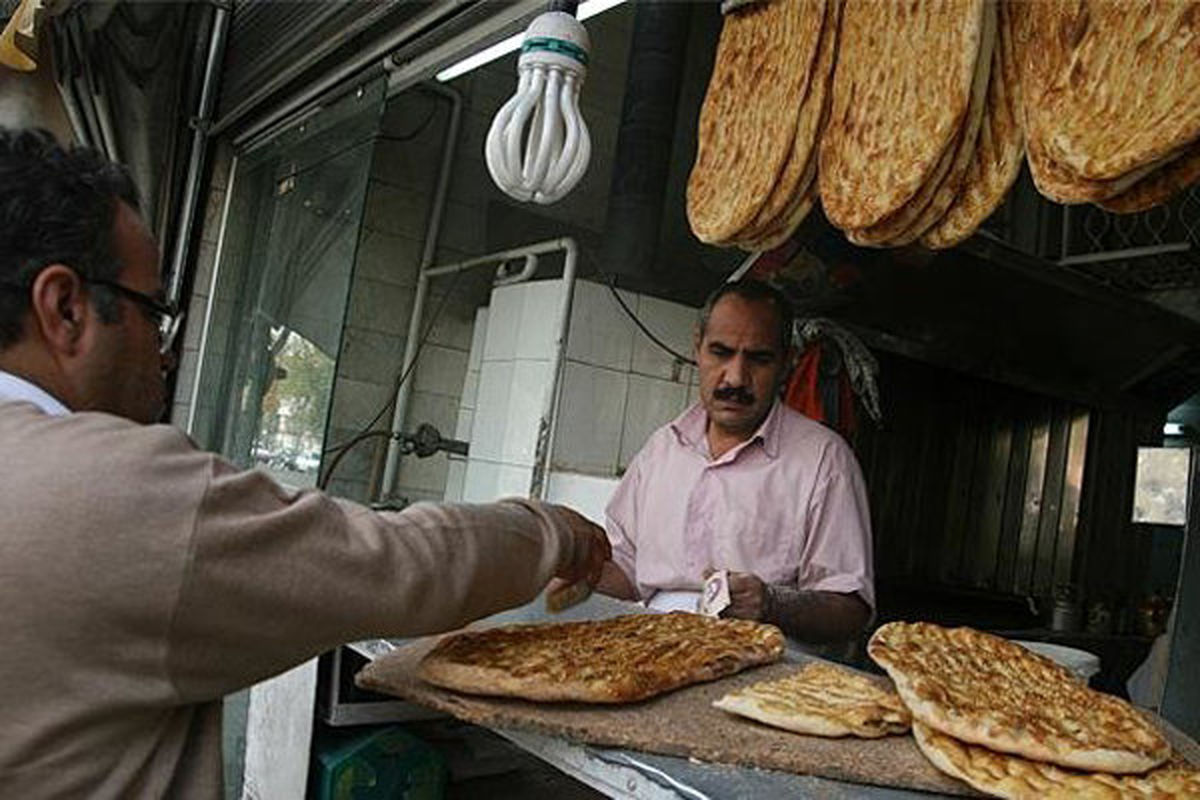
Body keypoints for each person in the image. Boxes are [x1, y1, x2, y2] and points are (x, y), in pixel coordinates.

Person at [0, 127, 610, 798]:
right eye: (155, 314)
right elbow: (395, 563)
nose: (165, 351)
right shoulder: (104, 489)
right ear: (65, 309)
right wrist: (551, 529)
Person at [597, 279, 874, 646]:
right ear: (697, 348)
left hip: (765, 670)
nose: (736, 378)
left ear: (788, 363)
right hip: (653, 649)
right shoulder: (662, 448)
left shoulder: (824, 460)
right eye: (721, 352)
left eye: (759, 358)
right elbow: (625, 567)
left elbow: (850, 612)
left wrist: (773, 604)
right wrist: (569, 567)